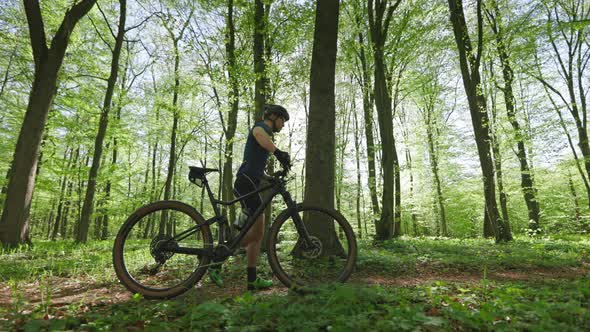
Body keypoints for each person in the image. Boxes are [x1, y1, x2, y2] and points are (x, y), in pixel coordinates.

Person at [209, 104, 291, 291]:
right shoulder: (261, 128)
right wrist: (278, 153)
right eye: (282, 121)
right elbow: (259, 136)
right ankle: (217, 260)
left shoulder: (265, 136)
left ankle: (252, 280)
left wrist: (269, 178)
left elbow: (256, 168)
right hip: (245, 183)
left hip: (250, 182)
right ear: (273, 117)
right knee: (252, 231)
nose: (283, 125)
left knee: (257, 233)